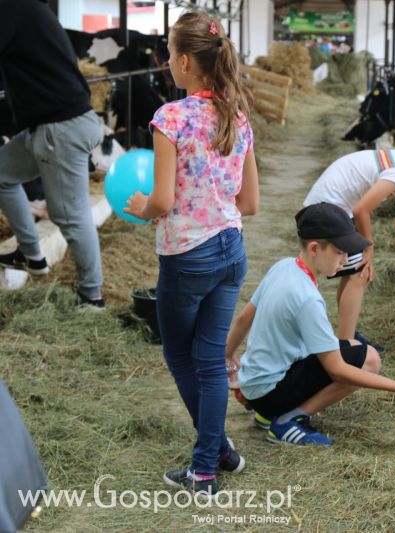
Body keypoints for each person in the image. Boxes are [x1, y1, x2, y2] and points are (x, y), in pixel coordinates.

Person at [124, 11, 259, 498]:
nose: (164, 59)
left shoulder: (171, 118)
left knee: (183, 357)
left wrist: (142, 206)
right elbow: (251, 203)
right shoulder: (237, 115)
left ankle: (205, 468)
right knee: (210, 361)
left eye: (167, 50)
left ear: (182, 60)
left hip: (187, 257)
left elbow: (160, 201)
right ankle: (219, 452)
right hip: (231, 250)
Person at [226, 202, 395, 446]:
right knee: (370, 360)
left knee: (351, 344)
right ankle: (288, 421)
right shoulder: (307, 297)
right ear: (315, 248)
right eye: (340, 252)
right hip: (270, 393)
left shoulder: (283, 267)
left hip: (254, 386)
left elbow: (244, 318)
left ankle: (267, 414)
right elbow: (336, 370)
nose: (345, 260)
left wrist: (229, 358)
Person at [303, 127, 395, 350]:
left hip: (324, 209)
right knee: (361, 273)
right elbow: (361, 210)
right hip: (325, 214)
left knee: (353, 270)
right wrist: (369, 248)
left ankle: (348, 334)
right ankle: (347, 346)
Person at [0, 0, 104, 307]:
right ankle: (32, 255)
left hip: (61, 127)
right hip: (47, 126)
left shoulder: (11, 9)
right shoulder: (29, 8)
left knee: (69, 216)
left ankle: (92, 296)